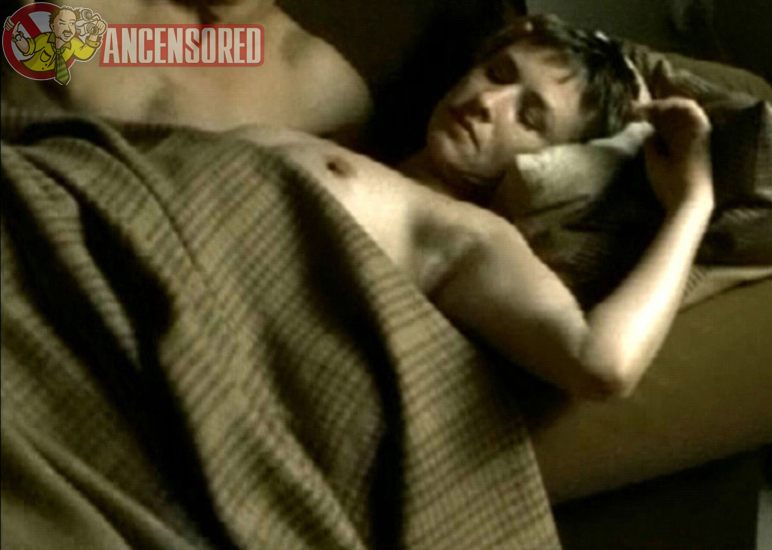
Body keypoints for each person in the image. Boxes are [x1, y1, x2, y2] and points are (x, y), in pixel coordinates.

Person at [235, 14, 715, 400]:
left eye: (529, 117)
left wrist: (693, 203)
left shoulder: (472, 233)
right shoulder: (351, 120)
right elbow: (204, 51)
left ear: (553, 160)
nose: (488, 101)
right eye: (498, 73)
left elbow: (602, 364)